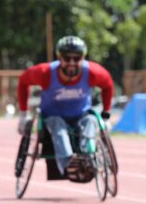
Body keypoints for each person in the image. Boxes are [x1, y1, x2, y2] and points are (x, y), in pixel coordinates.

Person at [17, 35, 114, 181]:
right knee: (58, 126)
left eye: (77, 58)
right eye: (67, 58)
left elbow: (108, 85)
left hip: (81, 115)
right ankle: (69, 164)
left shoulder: (93, 72)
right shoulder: (45, 72)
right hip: (53, 116)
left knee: (91, 121)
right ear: (59, 57)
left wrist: (106, 115)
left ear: (83, 58)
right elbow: (23, 81)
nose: (71, 63)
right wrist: (23, 114)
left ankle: (87, 158)